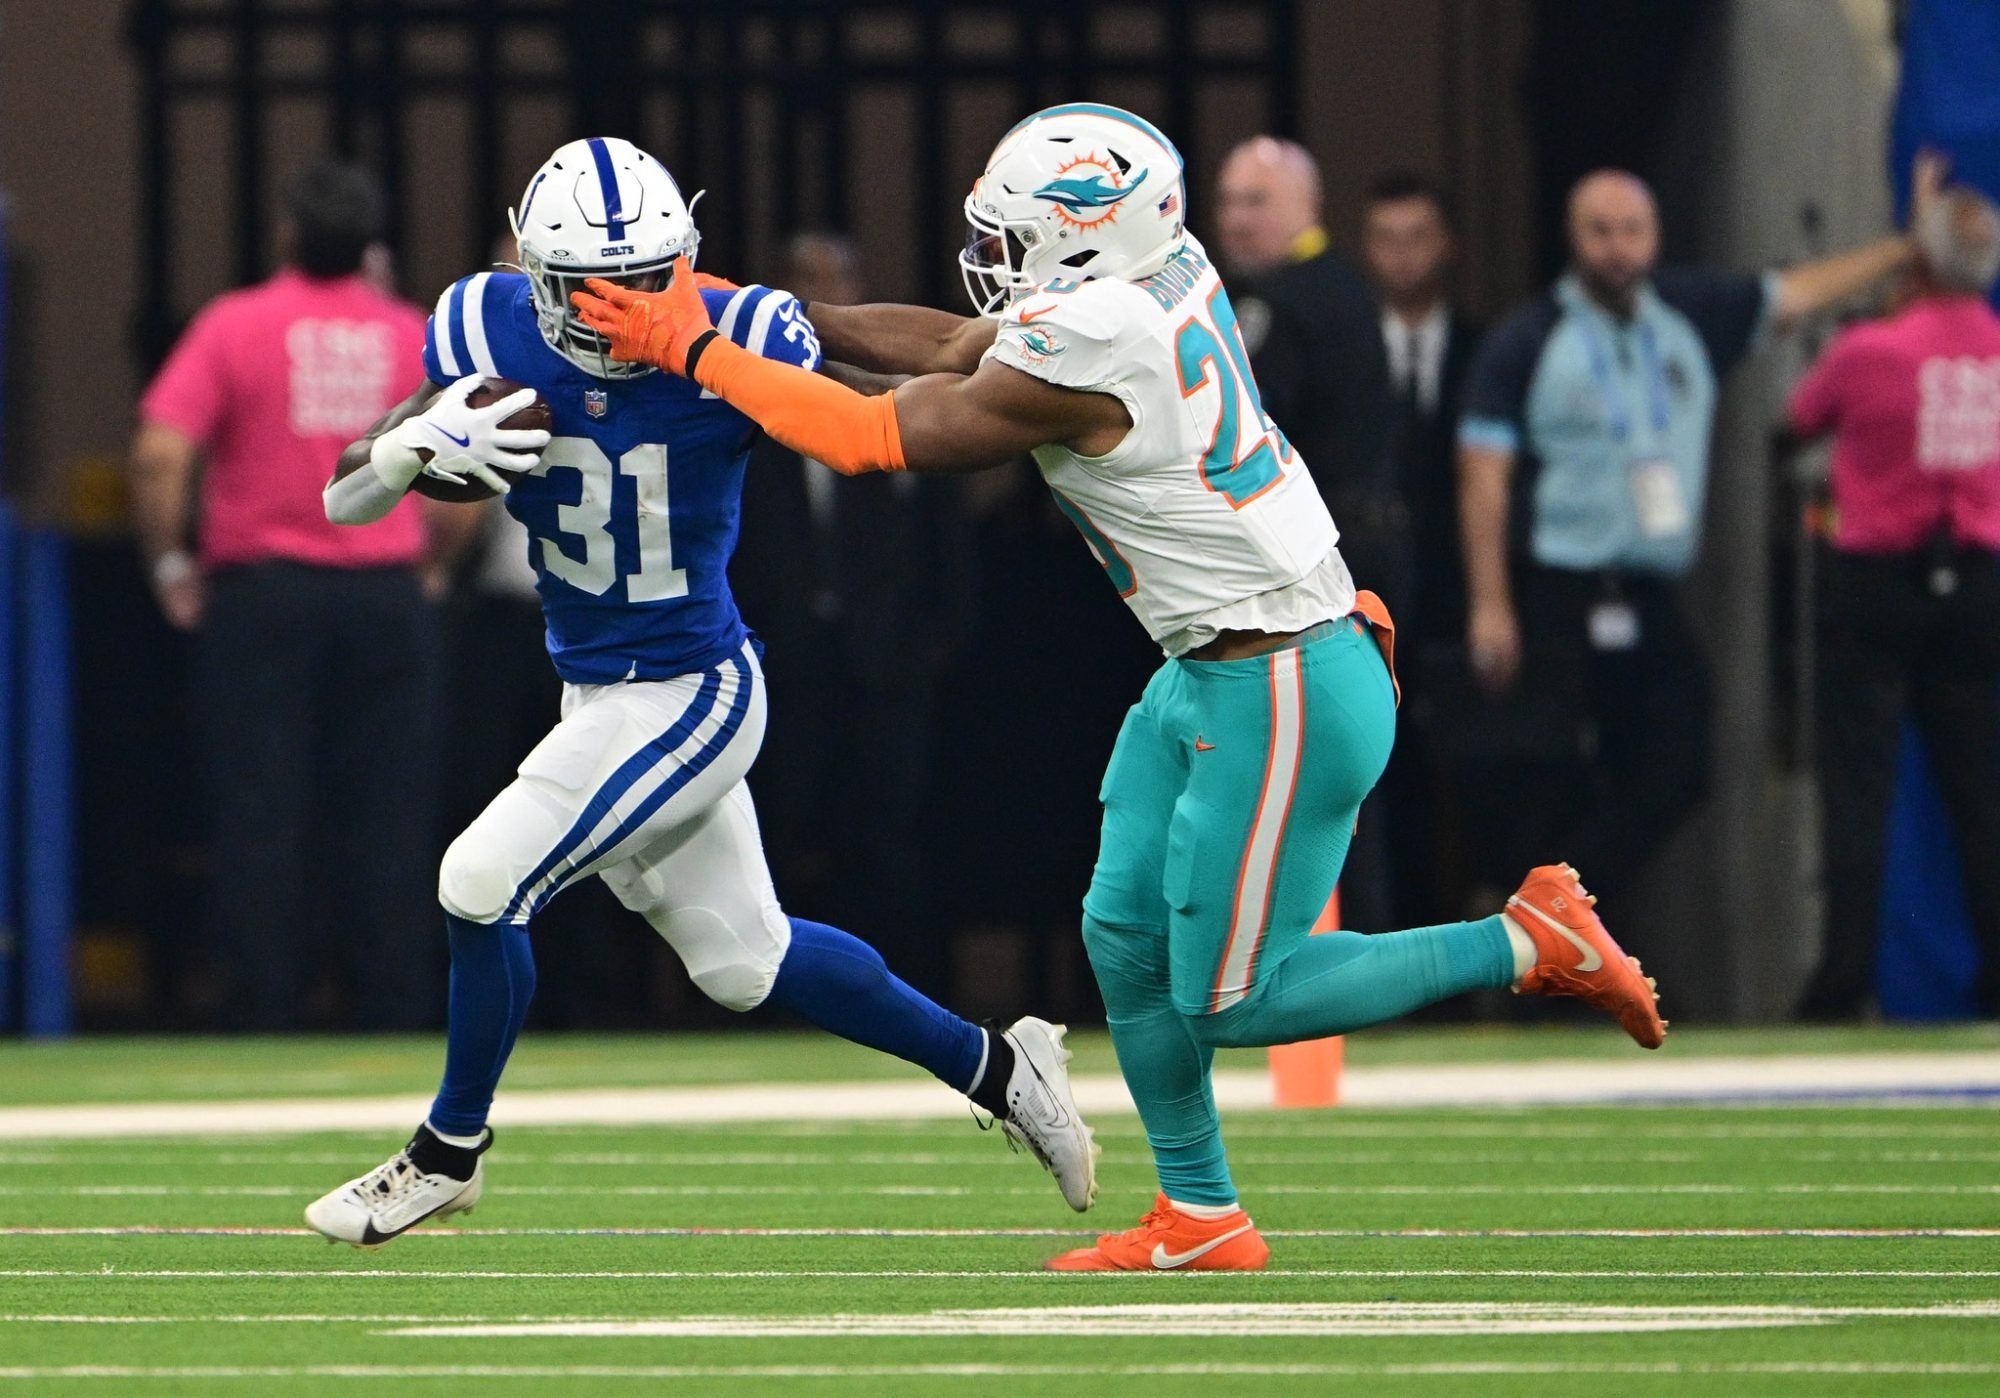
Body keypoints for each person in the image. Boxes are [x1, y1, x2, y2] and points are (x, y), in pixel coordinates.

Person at [573, 102, 1667, 1273]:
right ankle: (1200, 1215)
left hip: (1283, 674)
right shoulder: (1153, 272)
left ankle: (1523, 938)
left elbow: (865, 435)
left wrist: (691, 347)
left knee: (1233, 998)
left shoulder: (1095, 344)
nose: (990, 259)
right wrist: (739, 309)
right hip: (1211, 665)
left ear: (1086, 236)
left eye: (1012, 237)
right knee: (1122, 939)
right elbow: (956, 345)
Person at [304, 137, 1096, 1247]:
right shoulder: (481, 325)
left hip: (691, 690)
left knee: (478, 881)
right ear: (538, 274)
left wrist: (1025, 380)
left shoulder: (734, 329)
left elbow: (883, 395)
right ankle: (1001, 1066)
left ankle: (448, 1152)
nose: (628, 303)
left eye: (649, 275)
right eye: (598, 282)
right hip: (591, 690)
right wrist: (406, 450)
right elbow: (342, 501)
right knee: (745, 964)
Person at [1457, 164, 1941, 912]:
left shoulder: (1690, 312)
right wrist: (1491, 602)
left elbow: (1799, 294)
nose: (1617, 249)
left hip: (1650, 592)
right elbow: (1482, 474)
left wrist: (1907, 248)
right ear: (1571, 238)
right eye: (1600, 231)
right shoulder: (1528, 338)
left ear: (1655, 237)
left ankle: (1547, 916)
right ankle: (1547, 946)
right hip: (1557, 590)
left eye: (1632, 231)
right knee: (1556, 777)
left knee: (1681, 766)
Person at [129, 161, 445, 1030]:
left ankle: (264, 1013)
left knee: (260, 809)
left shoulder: (235, 326)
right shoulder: (407, 333)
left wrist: (167, 563)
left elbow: (161, 455)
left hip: (265, 599)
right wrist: (435, 564)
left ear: (286, 234)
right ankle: (395, 1014)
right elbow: (475, 467)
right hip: (384, 598)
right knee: (391, 816)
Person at [1786, 186, 2000, 1021]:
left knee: (1858, 790)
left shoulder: (1870, 351)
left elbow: (1798, 420)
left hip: (1876, 583)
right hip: (1980, 582)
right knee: (1980, 793)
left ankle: (1844, 981)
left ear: (1918, 262)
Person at [730, 233, 961, 995]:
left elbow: (947, 550)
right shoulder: (749, 418)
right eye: (802, 286)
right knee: (777, 829)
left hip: (887, 668)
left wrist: (927, 648)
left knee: (892, 835)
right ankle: (782, 996)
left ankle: (908, 988)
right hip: (781, 667)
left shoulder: (907, 403)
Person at [1213, 135, 1400, 930]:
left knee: (1317, 769)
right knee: (1351, 762)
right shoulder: (1342, 291)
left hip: (1321, 568)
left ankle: (1331, 957)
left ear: (1308, 208)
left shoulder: (1287, 303)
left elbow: (1234, 431)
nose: (1238, 220)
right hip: (1362, 551)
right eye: (1227, 203)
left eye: (1257, 202)